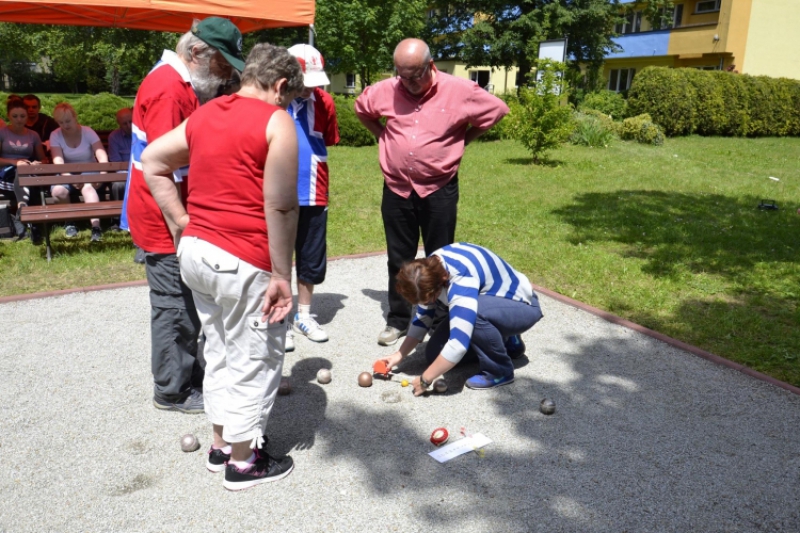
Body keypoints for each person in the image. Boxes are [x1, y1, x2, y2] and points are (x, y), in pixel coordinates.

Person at [142, 43, 303, 490]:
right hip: (243, 259)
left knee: (218, 349)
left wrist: (181, 221)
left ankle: (219, 445)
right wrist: (281, 276)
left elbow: (152, 161)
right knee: (254, 355)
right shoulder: (276, 121)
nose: (287, 104)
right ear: (281, 85)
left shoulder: (205, 114)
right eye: (289, 97)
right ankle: (244, 462)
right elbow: (282, 206)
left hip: (197, 254)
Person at [121, 17, 245, 414]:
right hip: (165, 221)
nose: (225, 73)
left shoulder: (181, 86)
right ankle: (172, 390)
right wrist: (182, 227)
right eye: (221, 63)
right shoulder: (168, 90)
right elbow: (163, 166)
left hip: (174, 219)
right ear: (196, 53)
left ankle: (186, 375)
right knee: (174, 306)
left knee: (186, 304)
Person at [354, 38, 510, 346]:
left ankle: (441, 320)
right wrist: (383, 136)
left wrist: (463, 139)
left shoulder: (460, 90)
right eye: (402, 74)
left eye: (414, 74)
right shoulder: (387, 89)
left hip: (439, 188)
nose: (408, 82)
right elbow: (362, 109)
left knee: (440, 258)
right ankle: (398, 319)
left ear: (431, 65)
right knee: (399, 259)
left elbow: (497, 110)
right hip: (397, 188)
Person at [374, 243, 543, 394]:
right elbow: (423, 318)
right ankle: (506, 340)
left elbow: (458, 345)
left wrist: (426, 379)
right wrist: (399, 355)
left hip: (522, 305)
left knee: (475, 315)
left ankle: (499, 370)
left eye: (426, 300)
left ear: (441, 283)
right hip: (494, 303)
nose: (424, 304)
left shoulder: (461, 280)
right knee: (435, 355)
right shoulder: (428, 271)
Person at [284, 44, 340, 351]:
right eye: (305, 82)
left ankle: (303, 315)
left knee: (310, 255)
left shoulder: (324, 101)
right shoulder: (271, 102)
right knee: (275, 257)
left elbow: (328, 139)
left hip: (314, 189)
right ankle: (278, 320)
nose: (310, 89)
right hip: (277, 191)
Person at [49, 102, 109, 242]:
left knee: (87, 187)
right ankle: (69, 222)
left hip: (90, 171)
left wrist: (103, 174)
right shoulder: (55, 135)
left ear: (75, 117)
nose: (65, 125)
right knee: (58, 191)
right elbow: (58, 161)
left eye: (68, 121)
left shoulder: (88, 132)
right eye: (61, 122)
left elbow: (102, 156)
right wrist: (70, 178)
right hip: (66, 172)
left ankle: (95, 227)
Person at [0, 99, 46, 239]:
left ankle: (22, 211)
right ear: (8, 116)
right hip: (5, 172)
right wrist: (15, 162)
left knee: (25, 173)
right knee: (24, 173)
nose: (19, 120)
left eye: (22, 116)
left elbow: (44, 159)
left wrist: (37, 163)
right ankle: (32, 222)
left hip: (27, 171)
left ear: (27, 117)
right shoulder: (2, 133)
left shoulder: (33, 135)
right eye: (15, 116)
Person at [105, 108, 132, 227]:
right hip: (125, 173)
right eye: (125, 124)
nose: (129, 126)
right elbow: (116, 163)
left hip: (143, 173)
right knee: (118, 184)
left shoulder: (143, 134)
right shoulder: (114, 137)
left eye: (131, 121)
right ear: (119, 124)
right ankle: (117, 219)